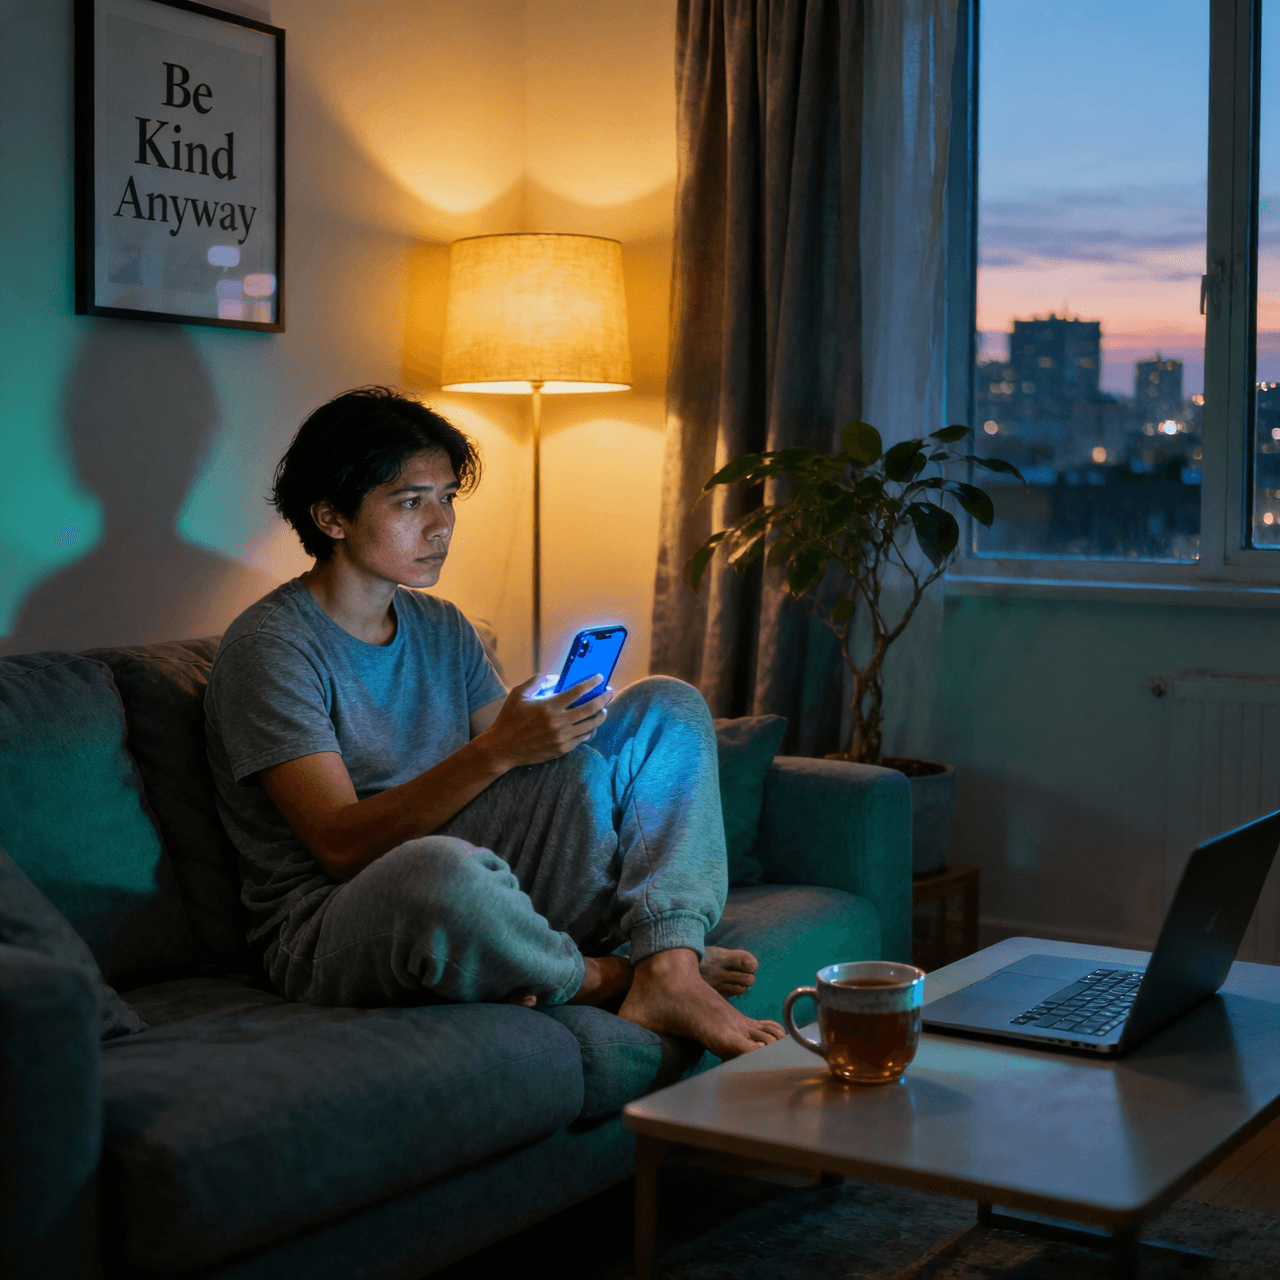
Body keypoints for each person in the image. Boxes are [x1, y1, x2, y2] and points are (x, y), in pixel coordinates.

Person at [204, 387, 785, 1058]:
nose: (441, 526)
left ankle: (671, 963)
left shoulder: (441, 625)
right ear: (331, 517)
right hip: (343, 916)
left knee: (667, 705)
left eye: (447, 498)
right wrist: (500, 752)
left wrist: (545, 730)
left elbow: (533, 780)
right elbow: (339, 848)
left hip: (478, 874)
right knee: (441, 872)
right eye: (410, 502)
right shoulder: (271, 649)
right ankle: (616, 974)